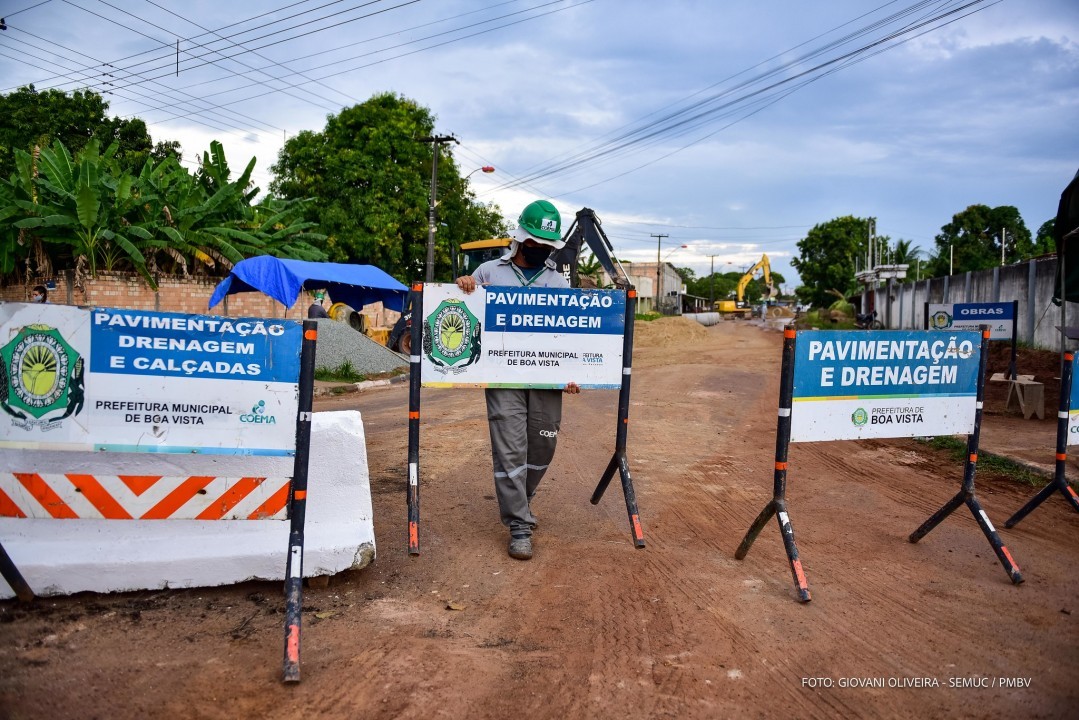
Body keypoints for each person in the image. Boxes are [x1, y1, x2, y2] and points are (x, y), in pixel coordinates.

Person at [455, 199, 581, 561]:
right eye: (536, 243)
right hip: (503, 377)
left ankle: (522, 498)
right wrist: (462, 286)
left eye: (547, 245)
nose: (541, 249)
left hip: (546, 378)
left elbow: (569, 337)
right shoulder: (487, 273)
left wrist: (573, 374)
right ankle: (519, 525)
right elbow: (462, 308)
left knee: (543, 445)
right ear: (522, 239)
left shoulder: (558, 282)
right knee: (510, 446)